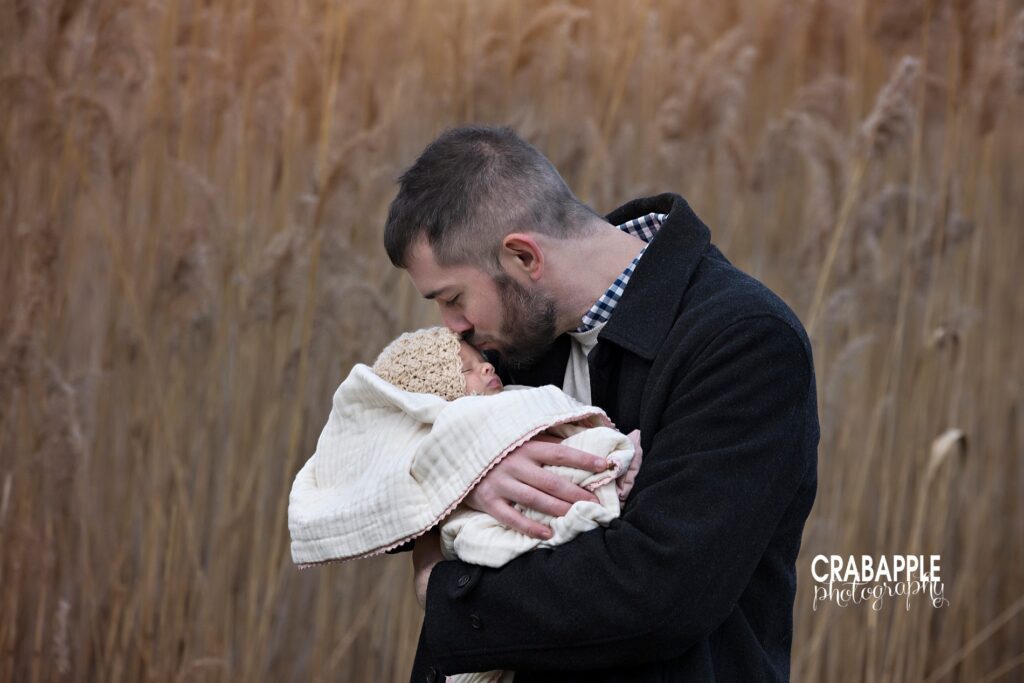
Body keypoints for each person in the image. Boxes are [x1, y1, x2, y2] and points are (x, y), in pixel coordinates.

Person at [382, 125, 820, 682]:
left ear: (523, 257)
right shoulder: (511, 336)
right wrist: (464, 471)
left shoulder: (744, 341)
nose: (452, 328)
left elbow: (657, 593)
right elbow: (366, 439)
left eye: (453, 298)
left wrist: (444, 591)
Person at [288, 325, 643, 683]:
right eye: (466, 370)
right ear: (439, 397)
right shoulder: (460, 422)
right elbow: (413, 457)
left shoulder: (515, 388)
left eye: (481, 362)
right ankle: (607, 480)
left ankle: (604, 478)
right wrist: (465, 473)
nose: (488, 367)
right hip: (494, 552)